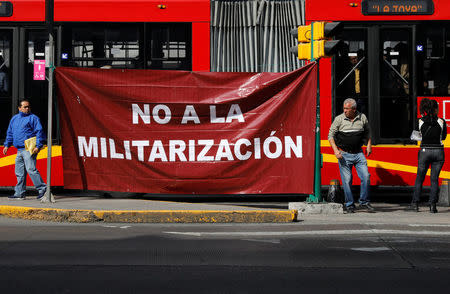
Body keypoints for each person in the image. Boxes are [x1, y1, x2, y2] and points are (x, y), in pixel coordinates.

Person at [328, 98, 373, 213]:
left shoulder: (362, 118)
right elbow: (330, 136)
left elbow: (368, 132)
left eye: (347, 109)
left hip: (358, 153)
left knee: (366, 177)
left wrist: (369, 145)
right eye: (344, 108)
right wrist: (335, 151)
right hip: (344, 155)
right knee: (347, 180)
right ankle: (349, 205)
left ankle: (364, 202)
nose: (345, 111)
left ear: (354, 109)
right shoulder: (339, 119)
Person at [3, 99, 46, 200]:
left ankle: (43, 189)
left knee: (31, 170)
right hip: (19, 150)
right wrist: (6, 145)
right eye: (25, 107)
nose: (28, 108)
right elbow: (10, 133)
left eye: (28, 107)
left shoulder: (33, 118)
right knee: (19, 172)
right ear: (19, 108)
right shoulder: (14, 119)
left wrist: (38, 146)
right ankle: (19, 193)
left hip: (29, 149)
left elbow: (39, 132)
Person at [411, 98, 447, 213]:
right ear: (435, 109)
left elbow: (416, 137)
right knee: (434, 180)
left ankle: (415, 204)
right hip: (438, 151)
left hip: (425, 151)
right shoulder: (442, 121)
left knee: (419, 178)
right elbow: (444, 137)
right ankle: (432, 206)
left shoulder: (420, 121)